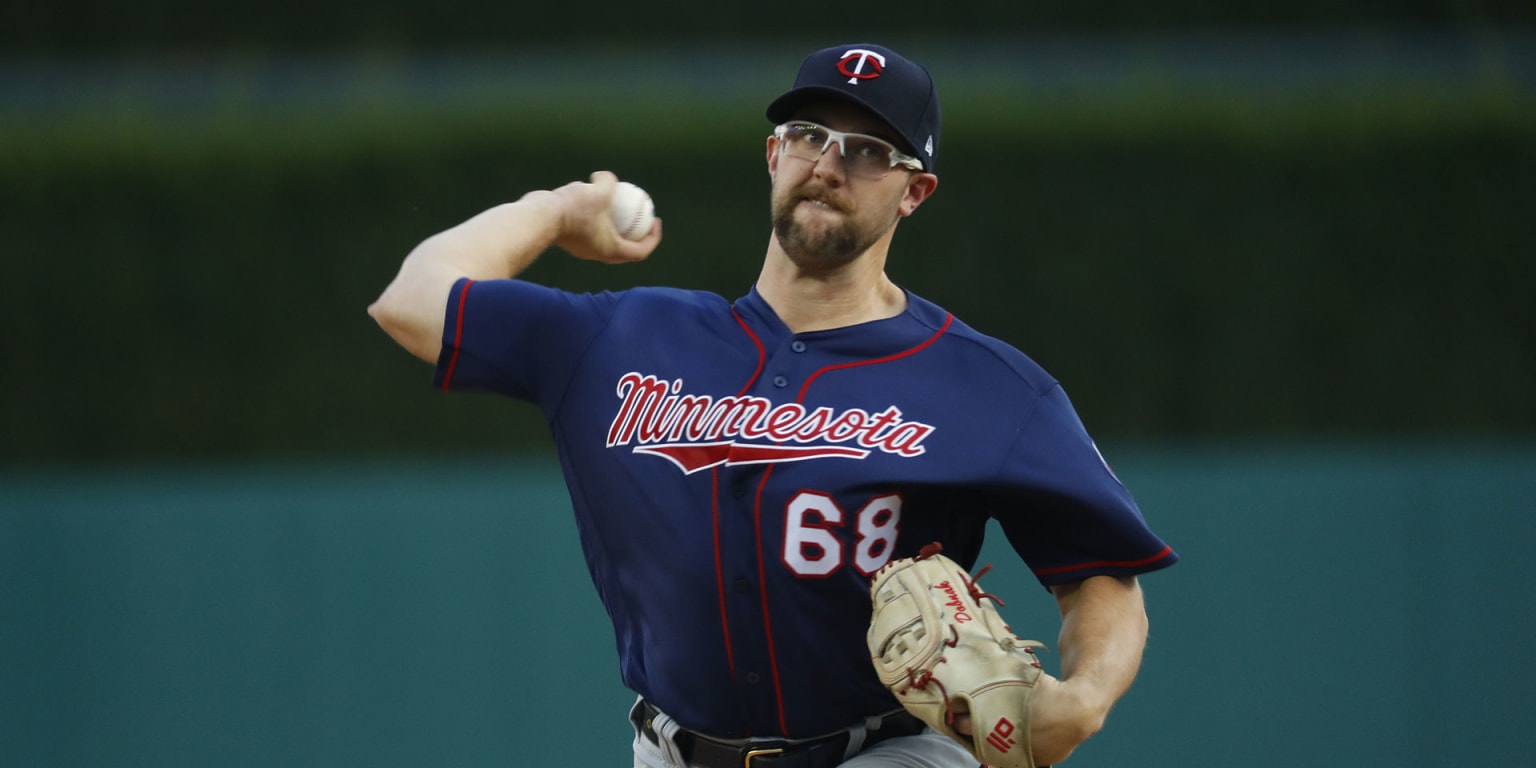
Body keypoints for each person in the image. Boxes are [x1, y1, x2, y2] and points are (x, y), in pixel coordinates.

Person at [369, 43, 1178, 768]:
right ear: (772, 155)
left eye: (867, 151)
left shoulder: (990, 386)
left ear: (914, 192)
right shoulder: (622, 338)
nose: (828, 164)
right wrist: (554, 209)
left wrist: (1085, 698)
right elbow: (411, 301)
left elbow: (1102, 576)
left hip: (888, 749)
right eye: (808, 138)